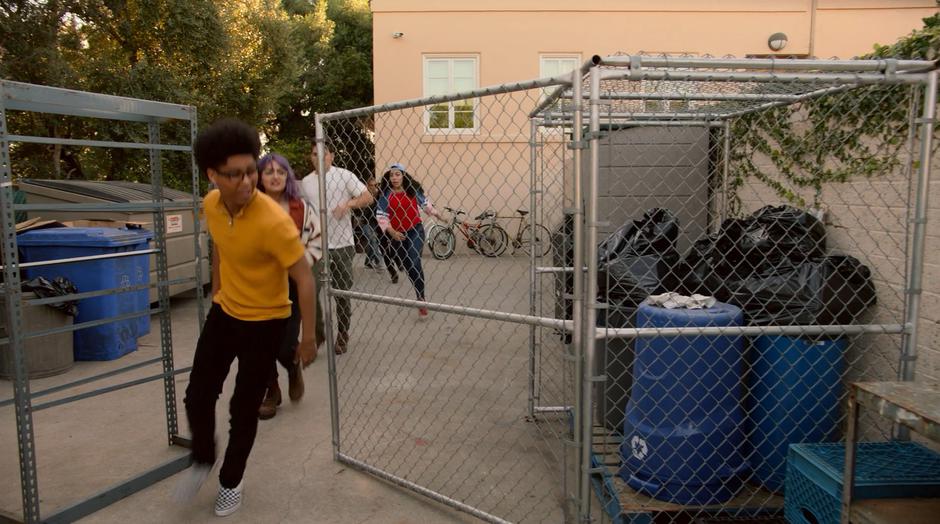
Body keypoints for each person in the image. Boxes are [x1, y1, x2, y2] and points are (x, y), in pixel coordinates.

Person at [174, 119, 317, 517]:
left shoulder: (273, 221)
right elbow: (221, 245)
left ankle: (231, 483)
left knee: (243, 407)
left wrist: (306, 338)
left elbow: (305, 279)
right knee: (198, 394)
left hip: (267, 323)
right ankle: (203, 459)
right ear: (212, 175)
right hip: (226, 313)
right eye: (234, 175)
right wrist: (219, 290)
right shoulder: (210, 205)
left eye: (250, 171)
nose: (246, 181)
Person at [256, 152, 322, 419]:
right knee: (259, 345)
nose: (275, 177)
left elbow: (316, 242)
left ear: (288, 177)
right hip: (257, 288)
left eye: (280, 172)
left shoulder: (301, 209)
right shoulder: (249, 208)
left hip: (292, 287)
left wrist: (295, 265)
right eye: (269, 172)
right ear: (260, 177)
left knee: (284, 345)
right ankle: (271, 391)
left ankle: (292, 366)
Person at [299, 140, 374, 354]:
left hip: (342, 244)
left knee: (341, 292)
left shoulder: (344, 175)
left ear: (331, 155)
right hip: (315, 246)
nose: (319, 158)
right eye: (314, 154)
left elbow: (368, 196)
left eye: (323, 154)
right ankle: (318, 331)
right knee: (310, 291)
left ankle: (343, 333)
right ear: (311, 157)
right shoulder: (306, 182)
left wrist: (347, 204)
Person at [376, 163, 443, 316]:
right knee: (409, 267)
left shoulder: (412, 191)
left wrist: (439, 215)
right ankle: (419, 294)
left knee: (414, 260)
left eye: (397, 174)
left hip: (415, 230)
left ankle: (421, 298)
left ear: (403, 176)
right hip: (397, 235)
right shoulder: (386, 194)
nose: (394, 178)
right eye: (392, 175)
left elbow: (426, 205)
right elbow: (381, 216)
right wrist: (391, 231)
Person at [360, 174, 385, 271]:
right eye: (371, 185)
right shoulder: (362, 194)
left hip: (375, 223)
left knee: (373, 241)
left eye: (375, 185)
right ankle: (379, 262)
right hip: (365, 222)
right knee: (373, 239)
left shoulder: (378, 195)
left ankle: (367, 261)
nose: (374, 187)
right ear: (367, 185)